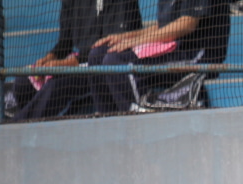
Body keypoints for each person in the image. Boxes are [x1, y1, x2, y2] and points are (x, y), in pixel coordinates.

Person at [4, 0, 141, 121]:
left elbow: (110, 45)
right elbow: (65, 42)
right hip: (77, 61)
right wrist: (49, 58)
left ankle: (16, 130)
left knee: (57, 85)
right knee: (23, 82)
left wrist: (67, 64)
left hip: (106, 63)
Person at [86, 0, 230, 114]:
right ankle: (110, 121)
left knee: (115, 61)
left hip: (199, 52)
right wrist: (124, 37)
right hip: (171, 48)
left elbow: (187, 24)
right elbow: (162, 27)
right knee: (98, 55)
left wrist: (137, 41)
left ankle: (140, 120)